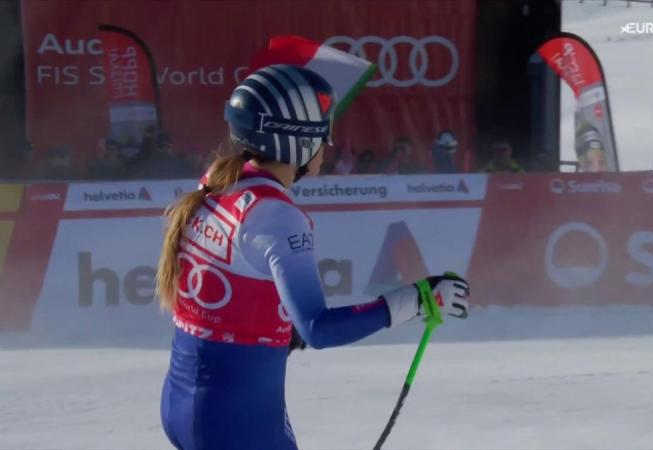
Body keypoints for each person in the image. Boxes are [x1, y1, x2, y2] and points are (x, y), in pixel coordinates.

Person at [156, 64, 470, 450]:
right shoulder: (277, 215)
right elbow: (317, 328)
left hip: (187, 405)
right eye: (323, 134)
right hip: (237, 422)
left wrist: (277, 329)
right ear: (298, 142)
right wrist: (419, 299)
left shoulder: (221, 184)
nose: (328, 145)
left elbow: (234, 292)